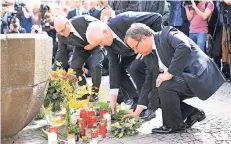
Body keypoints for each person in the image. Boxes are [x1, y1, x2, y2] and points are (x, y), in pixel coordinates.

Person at [123, 23, 225, 133]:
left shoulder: (167, 34)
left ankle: (173, 125)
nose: (136, 51)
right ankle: (192, 113)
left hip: (199, 76)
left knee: (165, 85)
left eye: (135, 47)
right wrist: (137, 112)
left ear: (144, 38)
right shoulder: (149, 55)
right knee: (153, 96)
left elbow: (183, 46)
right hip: (184, 78)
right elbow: (149, 82)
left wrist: (169, 73)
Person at [86, 12, 162, 119]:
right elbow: (114, 66)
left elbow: (156, 18)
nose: (101, 46)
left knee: (134, 68)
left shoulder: (125, 20)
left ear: (106, 32)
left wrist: (151, 44)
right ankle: (136, 100)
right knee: (118, 71)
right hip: (131, 52)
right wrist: (112, 98)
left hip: (146, 48)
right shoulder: (108, 42)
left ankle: (149, 106)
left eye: (100, 42)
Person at [53, 16, 104, 102]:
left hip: (96, 43)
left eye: (62, 30)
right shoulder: (60, 35)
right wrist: (55, 71)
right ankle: (84, 92)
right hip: (81, 47)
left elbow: (101, 27)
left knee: (96, 65)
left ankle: (95, 93)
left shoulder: (82, 20)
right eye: (59, 32)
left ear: (68, 23)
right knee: (74, 67)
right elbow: (61, 53)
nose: (62, 34)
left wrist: (94, 44)